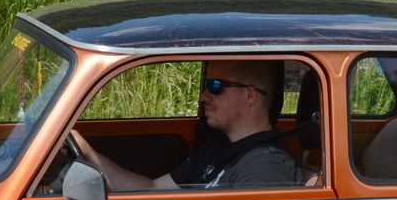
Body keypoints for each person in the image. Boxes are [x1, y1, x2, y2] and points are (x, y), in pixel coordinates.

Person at [71, 60, 302, 190]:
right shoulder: (219, 147)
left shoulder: (266, 167)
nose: (203, 96)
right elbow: (152, 189)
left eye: (215, 86)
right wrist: (88, 153)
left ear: (250, 96)